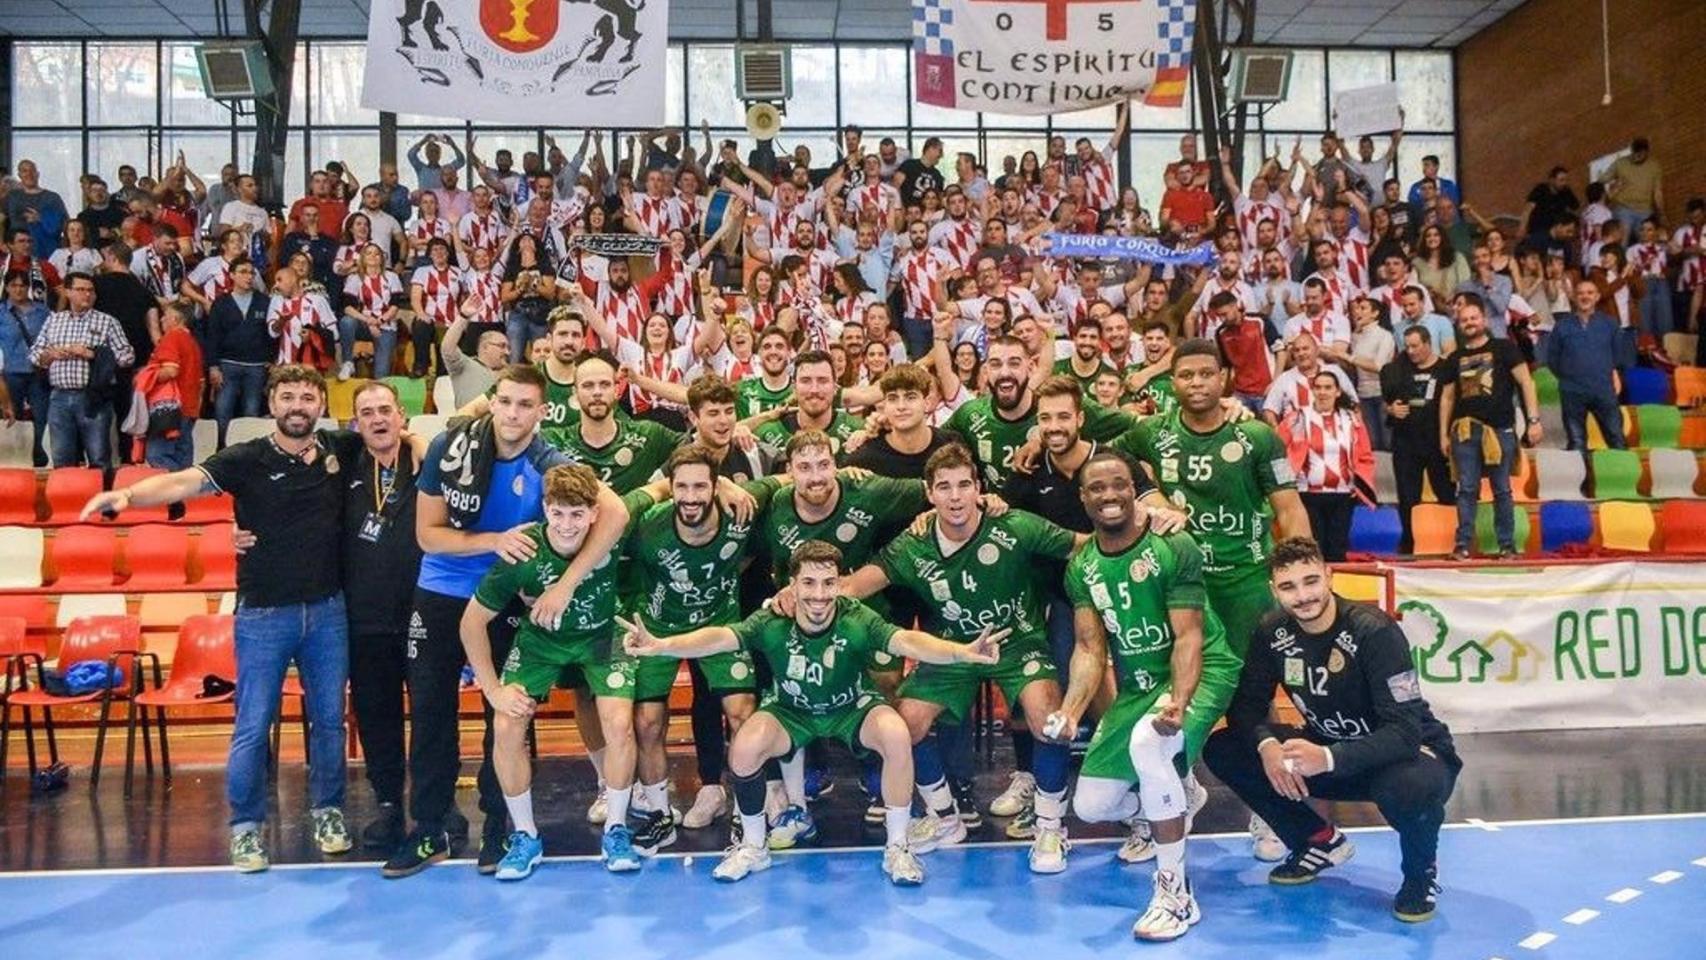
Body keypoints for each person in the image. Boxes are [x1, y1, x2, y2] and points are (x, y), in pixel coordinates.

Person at [79, 365, 359, 873]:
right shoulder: (245, 458)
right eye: (288, 396)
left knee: (328, 723)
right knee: (252, 725)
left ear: (321, 404)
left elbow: (398, 441)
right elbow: (184, 481)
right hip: (262, 616)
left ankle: (328, 813)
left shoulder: (343, 450)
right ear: (271, 404)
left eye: (308, 397)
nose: (298, 406)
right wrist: (126, 495)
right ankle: (246, 829)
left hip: (328, 612)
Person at [622, 540, 1002, 885]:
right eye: (809, 584)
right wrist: (662, 645)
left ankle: (898, 847)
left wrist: (962, 651)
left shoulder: (857, 618)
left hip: (851, 707)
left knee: (896, 734)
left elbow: (906, 641)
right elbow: (721, 636)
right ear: (792, 584)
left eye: (828, 583)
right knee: (744, 748)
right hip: (792, 710)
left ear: (839, 584)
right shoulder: (772, 621)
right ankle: (754, 848)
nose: (819, 595)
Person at [386, 364, 632, 879]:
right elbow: (428, 535)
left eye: (526, 405)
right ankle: (431, 827)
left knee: (508, 714)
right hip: (442, 589)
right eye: (506, 402)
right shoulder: (446, 449)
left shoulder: (547, 459)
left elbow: (616, 514)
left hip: (508, 599)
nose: (514, 413)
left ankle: (504, 827)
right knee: (430, 713)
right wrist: (493, 541)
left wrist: (566, 582)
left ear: (541, 412)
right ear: (492, 402)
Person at [833, 444, 1087, 872]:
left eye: (964, 486)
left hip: (1018, 641)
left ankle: (1049, 828)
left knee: (1050, 723)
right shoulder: (912, 545)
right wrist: (795, 595)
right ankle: (946, 818)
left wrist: (1148, 526)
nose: (955, 496)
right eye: (944, 487)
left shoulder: (1013, 525)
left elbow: (1082, 545)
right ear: (929, 494)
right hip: (953, 648)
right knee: (904, 725)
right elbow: (855, 586)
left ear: (978, 489)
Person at [1113, 337, 1310, 860]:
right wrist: (1150, 496)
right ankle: (1173, 793)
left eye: (1206, 374)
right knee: (1174, 690)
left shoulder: (1256, 437)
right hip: (1181, 585)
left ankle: (1269, 811)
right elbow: (1106, 451)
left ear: (1223, 378)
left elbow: (1288, 510)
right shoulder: (1152, 432)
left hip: (1245, 583)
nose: (1196, 384)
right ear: (1171, 382)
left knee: (1255, 696)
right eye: (1186, 376)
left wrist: (1295, 577)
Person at [1204, 537, 1460, 923]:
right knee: (1224, 749)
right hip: (1329, 750)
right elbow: (1247, 706)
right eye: (1288, 587)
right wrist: (1268, 744)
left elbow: (1405, 731)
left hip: (1407, 755)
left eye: (1310, 581)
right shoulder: (1272, 631)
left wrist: (1326, 757)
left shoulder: (1374, 631)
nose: (1302, 596)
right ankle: (1315, 841)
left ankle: (1419, 876)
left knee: (1410, 789)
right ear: (1275, 590)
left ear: (1328, 575)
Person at [1050, 450, 1240, 941]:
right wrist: (1070, 711)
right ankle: (1180, 796)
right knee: (1092, 806)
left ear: (1135, 489)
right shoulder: (1082, 568)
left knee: (1147, 745)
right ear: (1083, 498)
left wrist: (1178, 698)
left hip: (1201, 672)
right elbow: (1091, 650)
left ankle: (1175, 895)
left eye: (1119, 484)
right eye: (1097, 488)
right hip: (1138, 686)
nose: (1109, 495)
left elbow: (1190, 637)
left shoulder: (1173, 545)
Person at [461, 464, 656, 878]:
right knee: (507, 724)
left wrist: (726, 483)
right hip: (541, 644)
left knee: (619, 724)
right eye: (558, 513)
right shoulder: (524, 552)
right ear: (545, 509)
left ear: (593, 513)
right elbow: (471, 622)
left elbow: (657, 488)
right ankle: (525, 836)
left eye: (577, 514)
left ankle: (618, 829)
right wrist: (493, 689)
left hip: (603, 636)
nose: (567, 525)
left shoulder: (611, 530)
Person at [619, 444, 774, 853]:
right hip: (656, 629)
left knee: (744, 715)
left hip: (721, 626)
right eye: (682, 487)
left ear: (715, 486)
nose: (691, 497)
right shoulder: (647, 525)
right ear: (669, 488)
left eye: (701, 486)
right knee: (647, 722)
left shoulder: (741, 514)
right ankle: (659, 815)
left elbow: (786, 482)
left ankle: (748, 815)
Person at [340, 381, 427, 853]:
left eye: (386, 410)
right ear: (356, 423)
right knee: (378, 716)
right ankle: (389, 804)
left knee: (434, 715)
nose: (377, 419)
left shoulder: (425, 463)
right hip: (366, 618)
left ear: (402, 417)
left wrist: (418, 443)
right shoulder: (344, 466)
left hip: (424, 615)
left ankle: (435, 804)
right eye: (367, 412)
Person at [1438, 294, 1541, 560]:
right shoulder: (1454, 358)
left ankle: (1507, 545)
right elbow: (1447, 397)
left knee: (1502, 489)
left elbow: (1527, 383)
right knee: (1467, 489)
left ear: (1484, 319)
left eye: (1474, 318)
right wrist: (1443, 435)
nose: (1469, 323)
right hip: (1464, 430)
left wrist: (1533, 421)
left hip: (1500, 429)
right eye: (1464, 320)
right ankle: (1462, 546)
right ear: (1458, 325)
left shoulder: (1504, 348)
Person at [29, 271, 135, 469]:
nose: (87, 294)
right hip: (59, 397)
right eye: (80, 290)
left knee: (99, 457)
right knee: (61, 456)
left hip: (93, 397)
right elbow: (35, 354)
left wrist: (92, 354)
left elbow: (127, 356)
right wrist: (50, 355)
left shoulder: (107, 322)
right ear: (68, 292)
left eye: (90, 290)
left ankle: (101, 498)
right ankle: (65, 498)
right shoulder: (54, 320)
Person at [1277, 371, 1374, 563]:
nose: (1322, 392)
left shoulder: (1352, 420)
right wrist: (1284, 487)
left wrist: (1361, 484)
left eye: (1328, 387)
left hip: (1343, 496)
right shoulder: (1297, 418)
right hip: (1307, 495)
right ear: (1312, 390)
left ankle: (1337, 591)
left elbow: (1365, 455)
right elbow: (1276, 450)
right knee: (1314, 549)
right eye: (1318, 387)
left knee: (1338, 549)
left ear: (1337, 392)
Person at [1380, 326, 1452, 555]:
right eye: (1407, 346)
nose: (1411, 351)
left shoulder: (1444, 368)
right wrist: (1390, 410)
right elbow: (1386, 399)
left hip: (1436, 441)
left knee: (1447, 493)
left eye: (1415, 346)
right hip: (1406, 441)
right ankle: (1410, 541)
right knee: (1408, 496)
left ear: (1428, 343)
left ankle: (1451, 538)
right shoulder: (1396, 369)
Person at [1545, 278, 1625, 454]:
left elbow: (1617, 356)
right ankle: (1582, 482)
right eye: (1580, 293)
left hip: (1603, 390)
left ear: (1597, 297)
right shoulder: (1562, 326)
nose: (1585, 297)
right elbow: (1552, 359)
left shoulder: (1610, 324)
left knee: (1616, 439)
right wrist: (1570, 376)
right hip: (1572, 392)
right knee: (1577, 443)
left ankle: (1619, 480)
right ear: (1573, 297)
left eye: (1589, 293)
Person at [205, 258, 275, 447]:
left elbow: (273, 333)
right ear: (232, 275)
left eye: (251, 272)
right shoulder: (221, 303)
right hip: (228, 364)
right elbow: (212, 336)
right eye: (243, 272)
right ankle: (221, 451)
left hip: (256, 365)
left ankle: (247, 453)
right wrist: (213, 366)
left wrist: (271, 358)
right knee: (222, 410)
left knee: (251, 412)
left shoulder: (264, 301)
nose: (249, 276)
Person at [139, 304, 204, 471]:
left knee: (157, 455)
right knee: (182, 457)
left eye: (165, 316)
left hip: (169, 410)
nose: (161, 319)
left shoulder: (172, 337)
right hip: (189, 407)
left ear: (175, 319)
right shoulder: (193, 343)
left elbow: (171, 370)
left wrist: (144, 377)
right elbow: (201, 382)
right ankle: (186, 494)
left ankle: (175, 492)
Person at [0, 272, 50, 465]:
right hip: (11, 372)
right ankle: (15, 458)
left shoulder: (42, 311)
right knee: (12, 416)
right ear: (7, 288)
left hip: (37, 371)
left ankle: (39, 456)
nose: (18, 289)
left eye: (22, 285)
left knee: (41, 417)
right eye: (14, 285)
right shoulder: (2, 312)